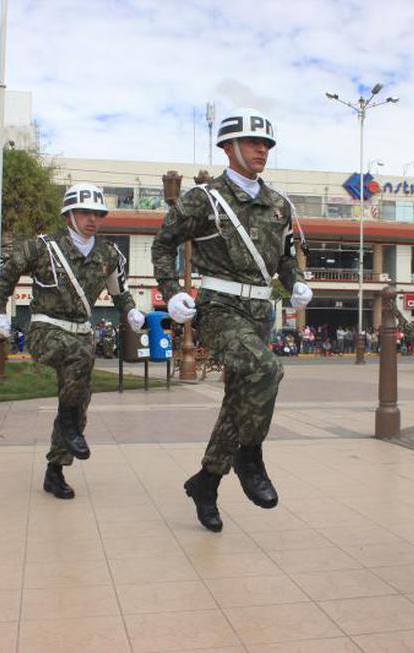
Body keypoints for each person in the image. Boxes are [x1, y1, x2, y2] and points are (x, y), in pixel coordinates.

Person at [151, 107, 312, 532]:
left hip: (260, 312)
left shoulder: (279, 204)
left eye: (266, 144)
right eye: (253, 142)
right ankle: (249, 457)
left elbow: (285, 258)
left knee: (239, 402)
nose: (262, 150)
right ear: (228, 147)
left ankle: (205, 483)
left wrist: (296, 282)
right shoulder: (202, 199)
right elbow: (163, 245)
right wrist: (172, 291)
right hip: (220, 308)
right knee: (266, 370)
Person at [0, 183, 145, 499]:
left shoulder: (108, 254)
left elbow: (119, 292)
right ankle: (69, 426)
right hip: (45, 328)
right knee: (77, 358)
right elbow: (8, 273)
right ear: (69, 214)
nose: (92, 219)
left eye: (97, 214)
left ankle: (55, 470)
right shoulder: (42, 247)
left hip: (81, 331)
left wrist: (130, 311)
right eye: (84, 212)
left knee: (79, 400)